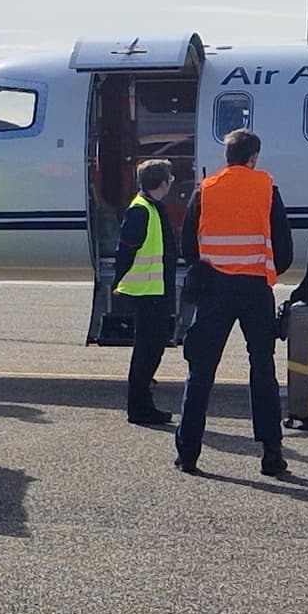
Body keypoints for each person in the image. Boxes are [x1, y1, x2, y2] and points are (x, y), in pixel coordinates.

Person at [173, 129, 295, 477]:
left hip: (214, 288)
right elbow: (284, 248)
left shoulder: (206, 188)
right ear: (253, 157)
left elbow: (188, 245)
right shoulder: (266, 188)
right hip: (255, 288)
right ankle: (272, 454)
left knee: (200, 370)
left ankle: (189, 453)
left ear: (227, 156)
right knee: (262, 368)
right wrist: (266, 270)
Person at [104, 159, 183, 427]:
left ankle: (143, 404)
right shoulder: (141, 211)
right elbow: (125, 249)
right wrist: (117, 282)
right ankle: (139, 407)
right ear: (163, 183)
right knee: (147, 350)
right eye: (170, 179)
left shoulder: (151, 208)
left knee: (152, 348)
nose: (171, 182)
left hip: (155, 290)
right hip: (147, 292)